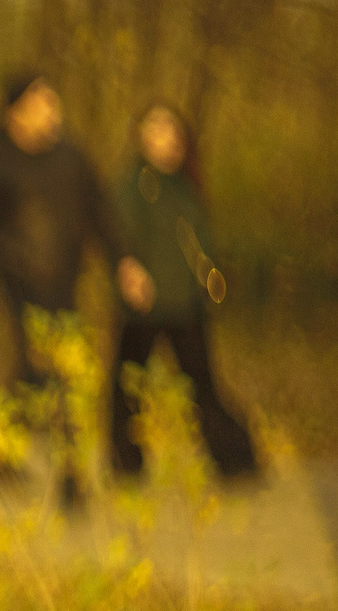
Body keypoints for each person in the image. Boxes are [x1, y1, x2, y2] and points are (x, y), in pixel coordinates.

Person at [0, 73, 152, 506]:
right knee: (57, 372)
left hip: (67, 282)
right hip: (21, 287)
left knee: (37, 374)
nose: (52, 110)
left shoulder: (72, 159)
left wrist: (124, 263)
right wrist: (16, 254)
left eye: (53, 100)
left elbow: (101, 213)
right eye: (40, 102)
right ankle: (71, 478)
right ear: (15, 115)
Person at [108, 102, 259, 482]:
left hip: (185, 305)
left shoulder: (186, 185)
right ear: (142, 137)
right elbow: (118, 237)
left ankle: (235, 459)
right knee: (127, 389)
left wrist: (210, 283)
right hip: (143, 306)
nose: (165, 140)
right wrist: (128, 272)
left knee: (202, 386)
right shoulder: (133, 185)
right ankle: (126, 463)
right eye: (156, 130)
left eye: (172, 131)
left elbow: (201, 241)